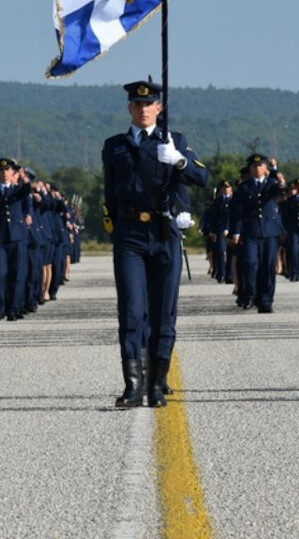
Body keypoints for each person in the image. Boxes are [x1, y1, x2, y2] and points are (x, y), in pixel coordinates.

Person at [102, 79, 209, 408]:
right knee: (132, 312)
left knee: (164, 313)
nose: (143, 109)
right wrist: (115, 227)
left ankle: (158, 383)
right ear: (130, 108)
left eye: (150, 104)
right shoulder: (114, 146)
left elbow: (202, 178)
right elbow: (110, 192)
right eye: (137, 104)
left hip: (164, 234)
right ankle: (133, 385)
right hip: (130, 236)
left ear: (159, 108)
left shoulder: (174, 141)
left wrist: (179, 160)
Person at [229, 155, 287, 313]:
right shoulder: (244, 187)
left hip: (269, 232)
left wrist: (276, 171)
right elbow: (238, 212)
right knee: (251, 264)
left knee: (268, 267)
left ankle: (266, 300)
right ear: (250, 168)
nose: (256, 168)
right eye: (253, 166)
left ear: (265, 168)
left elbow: (281, 190)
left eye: (260, 165)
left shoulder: (272, 184)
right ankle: (251, 295)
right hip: (251, 232)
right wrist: (236, 232)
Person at [0, 158, 33, 321]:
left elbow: (27, 190)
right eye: (1, 170)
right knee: (0, 274)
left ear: (12, 172)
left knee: (17, 274)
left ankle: (14, 308)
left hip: (17, 238)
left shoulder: (18, 190)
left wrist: (24, 177)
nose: (4, 173)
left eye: (7, 170)